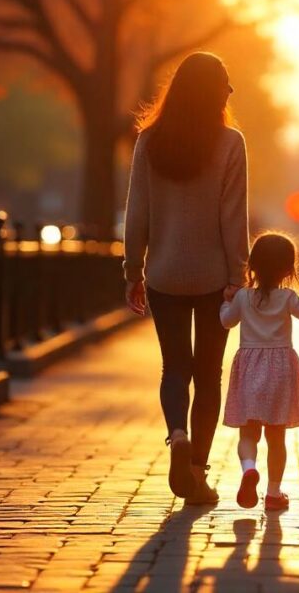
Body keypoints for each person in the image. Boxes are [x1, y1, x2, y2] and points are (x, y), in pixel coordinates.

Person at [123, 52, 249, 505]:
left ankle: (177, 435)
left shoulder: (149, 142)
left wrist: (132, 270)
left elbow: (136, 212)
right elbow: (233, 218)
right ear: (212, 91)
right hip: (214, 277)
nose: (231, 91)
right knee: (209, 374)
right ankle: (197, 469)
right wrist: (238, 275)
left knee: (174, 367)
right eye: (226, 83)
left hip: (163, 275)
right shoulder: (231, 143)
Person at [220, 232, 299, 511]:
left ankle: (248, 468)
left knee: (248, 432)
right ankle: (273, 493)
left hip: (249, 369)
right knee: (276, 437)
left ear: (252, 265)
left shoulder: (243, 297)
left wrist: (225, 301)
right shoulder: (287, 297)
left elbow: (226, 322)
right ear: (288, 269)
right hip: (279, 371)